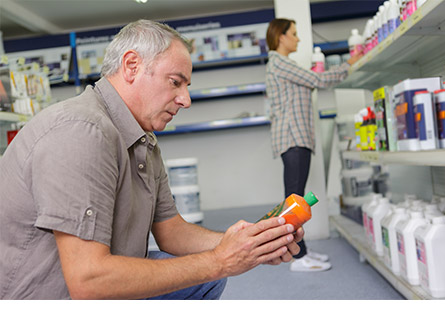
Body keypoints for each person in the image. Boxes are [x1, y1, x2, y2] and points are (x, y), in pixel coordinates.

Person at [0, 20, 304, 300]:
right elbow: (88, 280)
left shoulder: (141, 138)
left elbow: (171, 231)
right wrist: (219, 260)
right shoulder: (82, 131)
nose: (186, 100)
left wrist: (247, 242)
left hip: (89, 283)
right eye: (175, 82)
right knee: (208, 272)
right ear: (132, 66)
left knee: (205, 279)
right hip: (46, 297)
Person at [265, 18, 362, 272]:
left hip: (298, 138)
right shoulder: (279, 63)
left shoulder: (283, 64)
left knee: (297, 200)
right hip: (292, 138)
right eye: (294, 34)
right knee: (295, 201)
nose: (298, 39)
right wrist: (348, 65)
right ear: (281, 36)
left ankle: (301, 251)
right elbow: (317, 80)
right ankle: (297, 258)